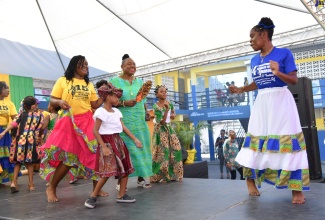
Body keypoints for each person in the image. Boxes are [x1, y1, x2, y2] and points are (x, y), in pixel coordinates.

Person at [230, 17, 309, 204]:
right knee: (256, 141)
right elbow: (258, 83)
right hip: (262, 103)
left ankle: (296, 189)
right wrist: (242, 89)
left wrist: (278, 73)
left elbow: (293, 80)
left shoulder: (284, 54)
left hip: (281, 101)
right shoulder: (254, 59)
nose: (250, 41)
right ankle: (250, 180)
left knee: (288, 142)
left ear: (264, 35)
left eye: (252, 36)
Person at [40, 55, 105, 202]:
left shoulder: (89, 84)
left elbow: (94, 104)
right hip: (70, 121)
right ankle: (51, 187)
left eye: (87, 65)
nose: (86, 67)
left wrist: (104, 95)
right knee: (69, 158)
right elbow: (52, 99)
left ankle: (97, 189)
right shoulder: (63, 80)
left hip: (87, 121)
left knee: (94, 154)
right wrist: (60, 101)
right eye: (83, 64)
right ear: (75, 65)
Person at [84, 83, 139, 209]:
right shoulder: (101, 112)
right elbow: (95, 131)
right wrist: (103, 147)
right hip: (107, 142)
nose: (118, 99)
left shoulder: (117, 111)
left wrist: (135, 139)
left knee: (125, 168)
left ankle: (121, 195)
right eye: (116, 97)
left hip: (118, 141)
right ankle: (93, 196)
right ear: (108, 96)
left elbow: (123, 127)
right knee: (107, 171)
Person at [110, 54, 153, 188]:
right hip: (124, 123)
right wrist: (123, 103)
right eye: (129, 64)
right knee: (126, 151)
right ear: (122, 66)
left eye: (133, 64)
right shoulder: (114, 82)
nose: (132, 66)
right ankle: (121, 182)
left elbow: (143, 99)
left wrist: (146, 111)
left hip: (139, 122)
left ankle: (141, 178)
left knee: (142, 149)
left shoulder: (140, 82)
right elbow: (110, 101)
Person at [0, 96, 43, 192]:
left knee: (17, 162)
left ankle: (14, 182)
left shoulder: (21, 115)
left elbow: (13, 124)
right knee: (30, 163)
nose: (36, 106)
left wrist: (4, 132)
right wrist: (39, 137)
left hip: (20, 141)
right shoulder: (39, 115)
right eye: (36, 105)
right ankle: (31, 184)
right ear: (32, 106)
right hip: (31, 141)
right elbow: (40, 128)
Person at [150, 85, 183, 183]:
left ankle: (174, 175)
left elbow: (173, 114)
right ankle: (162, 176)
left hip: (169, 128)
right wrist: (167, 110)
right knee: (163, 153)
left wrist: (173, 114)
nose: (164, 93)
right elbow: (161, 122)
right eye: (161, 91)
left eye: (165, 91)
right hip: (160, 130)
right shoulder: (155, 106)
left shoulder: (169, 103)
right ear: (156, 94)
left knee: (176, 150)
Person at [0, 81, 17, 185]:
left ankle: (4, 179)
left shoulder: (10, 103)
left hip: (4, 133)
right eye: (6, 88)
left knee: (6, 156)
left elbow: (15, 119)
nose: (8, 90)